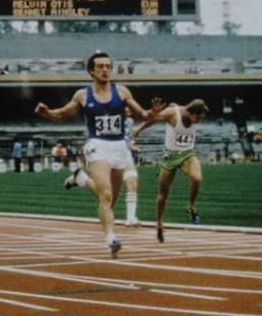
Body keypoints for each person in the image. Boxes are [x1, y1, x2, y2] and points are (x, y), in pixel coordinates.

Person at [35, 52, 161, 258]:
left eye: (108, 66)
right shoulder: (82, 95)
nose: (105, 70)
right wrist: (46, 112)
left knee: (111, 200)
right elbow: (62, 115)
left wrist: (152, 114)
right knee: (106, 195)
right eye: (100, 66)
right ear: (91, 71)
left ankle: (81, 178)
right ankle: (111, 238)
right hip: (97, 146)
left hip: (120, 147)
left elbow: (143, 114)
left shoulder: (122, 92)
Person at [133, 99, 209, 243]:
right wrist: (139, 129)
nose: (198, 121)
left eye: (201, 118)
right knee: (163, 194)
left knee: (197, 178)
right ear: (191, 112)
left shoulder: (192, 115)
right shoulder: (173, 113)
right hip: (170, 157)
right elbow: (154, 119)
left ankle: (191, 207)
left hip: (187, 154)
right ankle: (159, 223)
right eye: (197, 118)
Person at [121, 107, 141, 227]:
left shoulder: (129, 122)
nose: (128, 114)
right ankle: (80, 179)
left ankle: (131, 218)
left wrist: (132, 144)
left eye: (129, 112)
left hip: (125, 153)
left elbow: (129, 138)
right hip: (110, 153)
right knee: (105, 190)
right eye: (125, 112)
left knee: (132, 181)